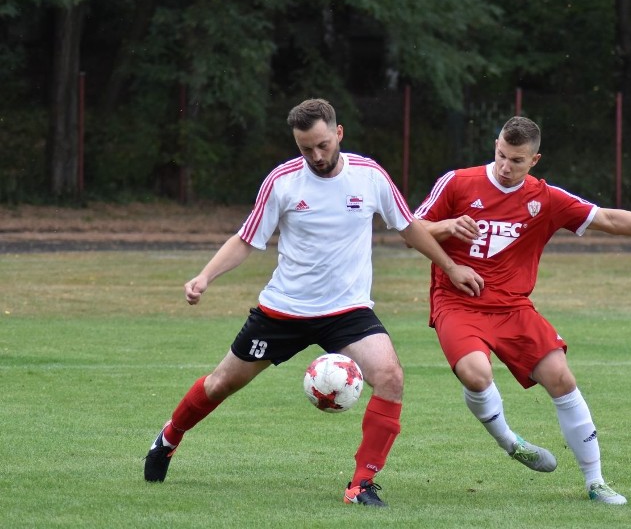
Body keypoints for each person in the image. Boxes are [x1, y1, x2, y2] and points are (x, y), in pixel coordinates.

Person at [144, 98, 484, 508]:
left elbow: (409, 227)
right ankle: (169, 437)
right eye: (306, 148)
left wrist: (449, 267)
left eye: (323, 144)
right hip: (283, 311)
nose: (316, 156)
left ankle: (361, 486)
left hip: (347, 312)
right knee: (221, 384)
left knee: (391, 377)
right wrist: (204, 276)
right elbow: (246, 239)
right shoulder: (283, 182)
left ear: (338, 133)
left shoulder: (370, 175)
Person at [413, 116, 631, 505]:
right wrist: (446, 228)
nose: (505, 166)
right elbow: (410, 229)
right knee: (476, 375)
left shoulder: (544, 198)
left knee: (561, 378)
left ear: (535, 160)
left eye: (516, 160)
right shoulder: (458, 182)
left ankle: (596, 483)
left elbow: (608, 219)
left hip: (513, 307)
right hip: (457, 301)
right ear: (495, 144)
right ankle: (511, 442)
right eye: (500, 155)